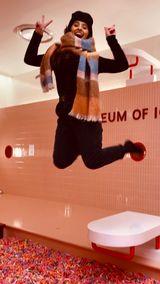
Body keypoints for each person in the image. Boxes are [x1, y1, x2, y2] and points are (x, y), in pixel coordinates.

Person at [24, 11, 144, 170]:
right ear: (69, 28)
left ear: (88, 33)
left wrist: (111, 39)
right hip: (65, 114)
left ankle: (126, 148)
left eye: (84, 27)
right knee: (60, 161)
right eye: (76, 24)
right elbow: (29, 58)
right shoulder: (56, 54)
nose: (80, 28)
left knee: (93, 162)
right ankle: (82, 144)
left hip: (86, 116)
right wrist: (37, 34)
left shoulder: (91, 58)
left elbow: (121, 65)